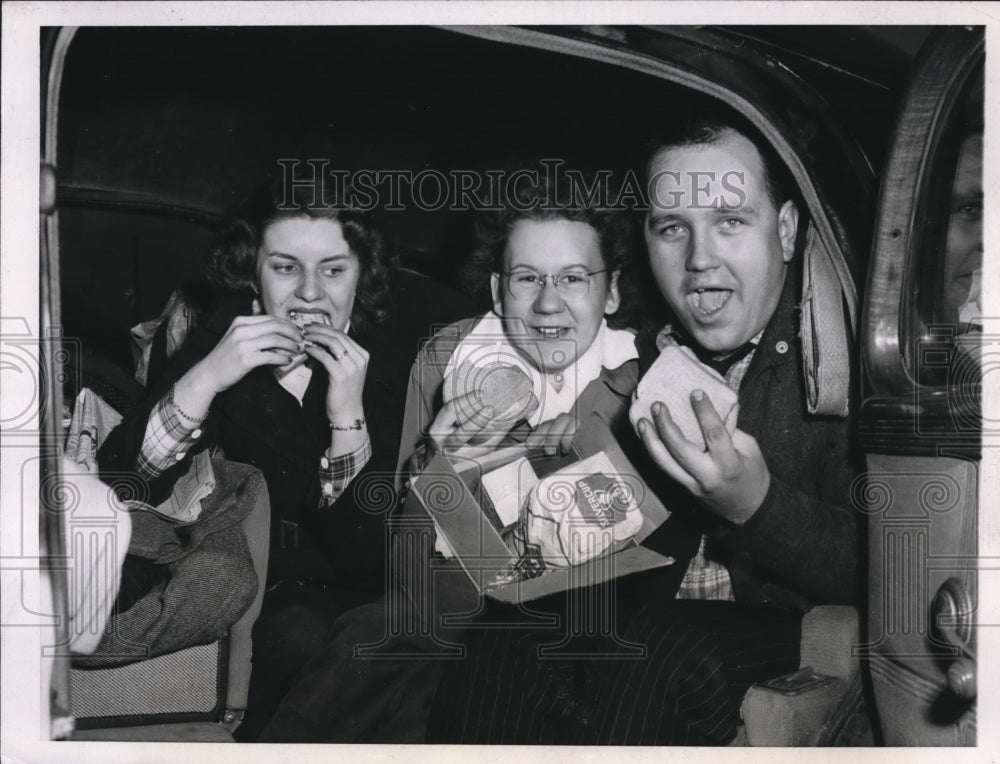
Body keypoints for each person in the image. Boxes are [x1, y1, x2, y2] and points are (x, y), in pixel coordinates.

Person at [427, 115, 862, 744]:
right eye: (673, 228)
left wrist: (757, 506)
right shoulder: (643, 366)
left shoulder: (849, 364)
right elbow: (520, 564)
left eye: (730, 221)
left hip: (792, 633)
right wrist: (455, 476)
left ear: (787, 231)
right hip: (646, 610)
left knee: (653, 643)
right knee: (508, 633)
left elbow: (899, 574)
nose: (700, 259)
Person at [257, 179, 644, 742]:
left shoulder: (637, 380)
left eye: (573, 279)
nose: (547, 303)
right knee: (393, 634)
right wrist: (438, 462)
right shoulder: (446, 359)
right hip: (443, 605)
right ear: (496, 289)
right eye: (527, 278)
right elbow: (404, 564)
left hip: (578, 617)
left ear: (610, 295)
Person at [97, 176, 467, 738]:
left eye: (334, 270)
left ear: (360, 275)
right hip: (259, 589)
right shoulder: (218, 336)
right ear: (253, 272)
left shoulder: (409, 352)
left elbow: (376, 560)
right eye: (286, 267)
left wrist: (348, 418)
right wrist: (206, 379)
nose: (311, 294)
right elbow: (122, 483)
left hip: (373, 590)